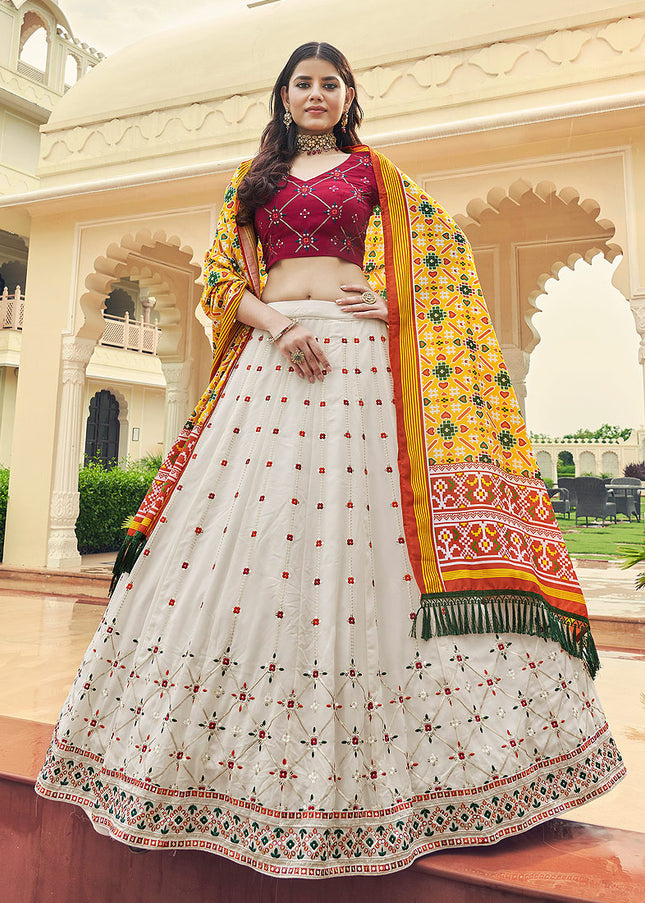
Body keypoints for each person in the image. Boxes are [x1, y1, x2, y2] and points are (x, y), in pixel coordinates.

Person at [35, 42, 625, 878]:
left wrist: (385, 302)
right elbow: (216, 283)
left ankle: (427, 780)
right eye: (302, 83)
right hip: (273, 363)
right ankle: (204, 772)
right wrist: (280, 326)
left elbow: (446, 265)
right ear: (283, 96)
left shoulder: (376, 173)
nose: (316, 94)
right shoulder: (253, 179)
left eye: (330, 83)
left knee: (365, 542)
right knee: (248, 543)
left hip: (360, 367)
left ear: (348, 96)